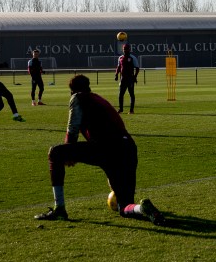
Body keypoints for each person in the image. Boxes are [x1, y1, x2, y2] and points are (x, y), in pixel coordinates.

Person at [34, 74, 165, 225]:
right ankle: (141, 208)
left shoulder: (78, 97)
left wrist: (69, 153)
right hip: (128, 148)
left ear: (72, 90)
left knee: (55, 152)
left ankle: (60, 209)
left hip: (107, 147)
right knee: (124, 207)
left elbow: (73, 128)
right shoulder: (100, 99)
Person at [114, 44, 140, 114]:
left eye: (127, 49)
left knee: (131, 94)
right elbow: (119, 67)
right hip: (123, 79)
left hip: (130, 79)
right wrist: (116, 74)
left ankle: (131, 110)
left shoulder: (133, 58)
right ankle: (121, 109)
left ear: (129, 49)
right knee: (121, 94)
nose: (125, 50)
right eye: (124, 49)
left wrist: (135, 76)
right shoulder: (120, 58)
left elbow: (137, 68)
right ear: (123, 50)